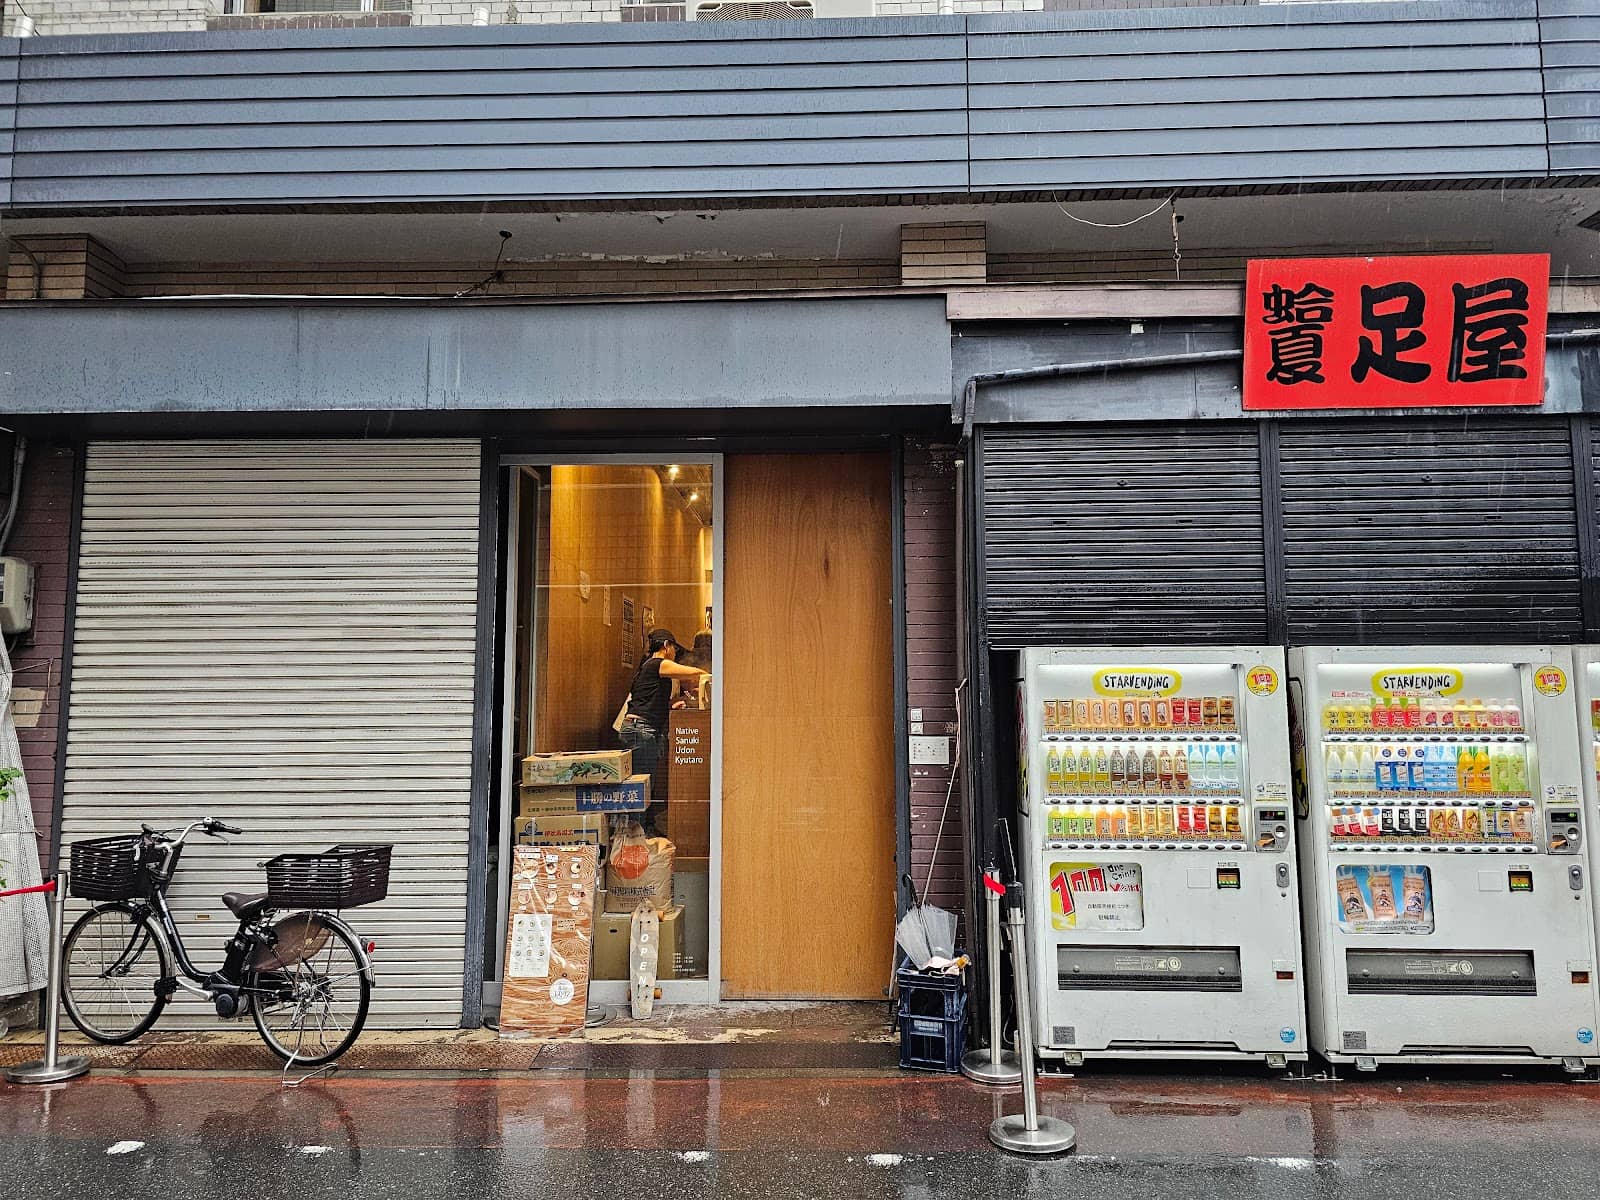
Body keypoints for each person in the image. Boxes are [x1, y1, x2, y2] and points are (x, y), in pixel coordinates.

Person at [619, 628, 708, 834]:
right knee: (642, 785)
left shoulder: (647, 668)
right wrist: (706, 675)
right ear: (666, 646)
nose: (675, 653)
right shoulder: (656, 663)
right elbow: (694, 672)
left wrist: (671, 704)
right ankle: (637, 835)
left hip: (639, 728)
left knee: (644, 784)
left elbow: (647, 701)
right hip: (641, 730)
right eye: (674, 649)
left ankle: (643, 830)